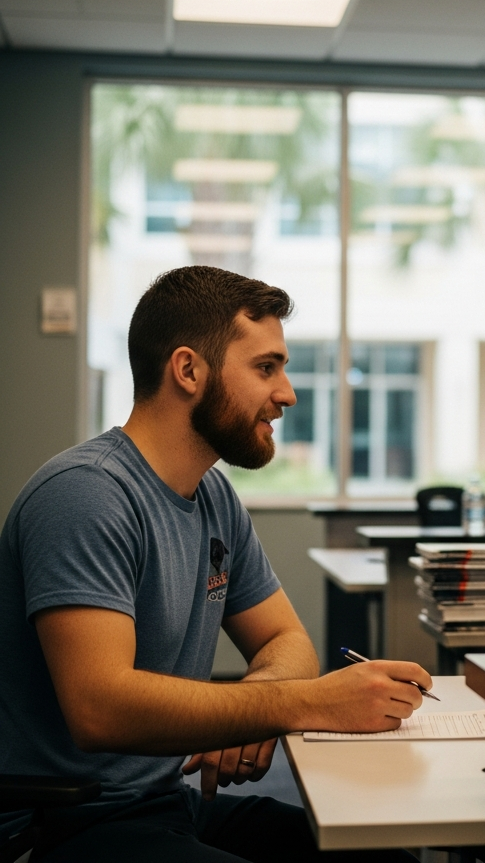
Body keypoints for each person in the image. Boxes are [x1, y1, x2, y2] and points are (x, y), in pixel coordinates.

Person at [0, 266, 431, 862]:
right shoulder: (85, 494)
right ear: (188, 370)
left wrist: (258, 698)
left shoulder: (213, 497)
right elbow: (99, 707)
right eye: (265, 368)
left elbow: (286, 640)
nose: (287, 393)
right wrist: (303, 702)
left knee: (382, 859)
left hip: (160, 804)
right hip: (64, 824)